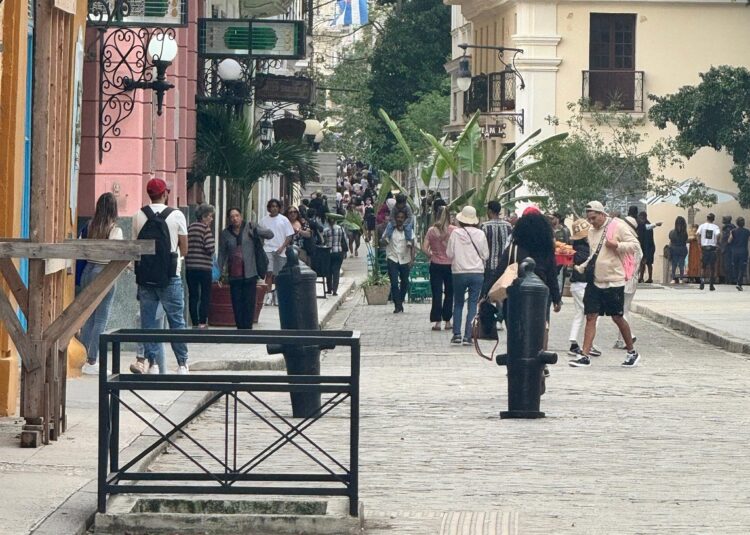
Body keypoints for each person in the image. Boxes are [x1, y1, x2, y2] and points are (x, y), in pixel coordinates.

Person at [568, 201, 641, 368]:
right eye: (589, 219)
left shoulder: (618, 226)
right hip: (595, 280)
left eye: (593, 218)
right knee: (591, 316)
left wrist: (617, 245)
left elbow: (635, 246)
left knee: (617, 317)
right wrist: (582, 266)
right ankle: (585, 355)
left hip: (614, 280)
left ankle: (632, 352)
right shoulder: (592, 232)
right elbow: (594, 254)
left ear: (602, 214)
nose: (592, 222)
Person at [130, 178, 190, 375]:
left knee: (148, 322)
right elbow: (185, 249)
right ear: (165, 194)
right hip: (170, 276)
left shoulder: (138, 215)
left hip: (146, 277)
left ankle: (153, 363)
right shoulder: (177, 215)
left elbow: (134, 246)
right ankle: (182, 364)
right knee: (176, 321)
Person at [497, 209, 562, 352]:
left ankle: (516, 356)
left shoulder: (514, 248)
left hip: (514, 292)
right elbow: (552, 276)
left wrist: (485, 295)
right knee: (542, 325)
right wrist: (557, 298)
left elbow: (499, 271)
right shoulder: (546, 250)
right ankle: (541, 358)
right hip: (541, 293)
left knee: (515, 326)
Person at [79, 193, 123, 375]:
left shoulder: (89, 225)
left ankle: (81, 354)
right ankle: (92, 358)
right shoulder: (115, 229)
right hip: (104, 271)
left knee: (88, 315)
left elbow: (81, 247)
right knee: (101, 318)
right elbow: (117, 252)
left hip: (88, 270)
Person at [218, 208, 273, 329]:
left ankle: (248, 328)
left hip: (250, 272)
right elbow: (222, 253)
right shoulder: (225, 233)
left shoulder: (250, 226)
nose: (235, 219)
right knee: (236, 302)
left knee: (249, 302)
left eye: (237, 215)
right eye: (232, 217)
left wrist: (256, 232)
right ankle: (240, 327)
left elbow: (270, 234)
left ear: (241, 216)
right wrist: (219, 272)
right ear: (229, 219)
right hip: (234, 273)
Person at [446, 206, 488, 345]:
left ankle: (456, 334)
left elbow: (449, 254)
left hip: (459, 272)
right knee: (472, 304)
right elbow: (485, 255)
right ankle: (468, 336)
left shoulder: (455, 233)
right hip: (477, 273)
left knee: (457, 303)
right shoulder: (481, 234)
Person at [422, 206, 455, 330]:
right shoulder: (453, 230)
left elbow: (424, 247)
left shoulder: (431, 231)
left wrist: (431, 254)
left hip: (435, 265)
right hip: (450, 265)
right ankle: (447, 321)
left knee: (436, 293)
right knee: (449, 293)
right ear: (448, 216)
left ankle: (437, 322)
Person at [614, 215, 643, 350]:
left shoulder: (632, 245)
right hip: (631, 279)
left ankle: (628, 336)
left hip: (626, 279)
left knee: (622, 311)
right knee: (624, 310)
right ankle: (622, 339)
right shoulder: (634, 244)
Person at [185, 204, 215, 329]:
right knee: (205, 295)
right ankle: (203, 322)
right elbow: (210, 247)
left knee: (193, 295)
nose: (212, 219)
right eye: (210, 216)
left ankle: (195, 323)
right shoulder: (205, 229)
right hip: (204, 268)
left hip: (190, 267)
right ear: (204, 217)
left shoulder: (189, 228)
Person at [260, 199, 295, 306]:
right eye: (272, 206)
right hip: (267, 249)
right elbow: (260, 236)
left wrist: (282, 247)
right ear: (269, 208)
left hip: (280, 250)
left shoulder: (284, 220)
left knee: (279, 275)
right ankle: (268, 294)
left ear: (279, 208)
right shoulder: (263, 221)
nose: (274, 208)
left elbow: (289, 235)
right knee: (269, 273)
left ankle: (278, 295)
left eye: (276, 206)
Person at [567, 218, 592, 357]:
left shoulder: (575, 248)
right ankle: (588, 343)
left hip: (576, 285)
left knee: (579, 314)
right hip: (582, 284)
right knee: (592, 313)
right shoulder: (584, 250)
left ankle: (573, 341)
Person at [384, 209, 415, 313]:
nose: (400, 219)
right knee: (394, 282)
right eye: (398, 217)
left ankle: (400, 301)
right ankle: (397, 306)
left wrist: (412, 259)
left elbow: (413, 245)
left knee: (405, 282)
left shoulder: (409, 230)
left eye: (402, 218)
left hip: (405, 259)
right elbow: (383, 240)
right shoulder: (390, 229)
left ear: (405, 219)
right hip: (392, 258)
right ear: (395, 218)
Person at [481, 200, 512, 296]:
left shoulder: (484, 226)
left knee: (486, 294)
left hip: (489, 265)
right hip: (504, 265)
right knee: (502, 294)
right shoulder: (508, 226)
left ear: (489, 211)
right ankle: (500, 311)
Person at [323, 213, 347, 296]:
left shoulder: (325, 230)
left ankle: (329, 289)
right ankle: (335, 291)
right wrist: (345, 252)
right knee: (336, 271)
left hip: (328, 253)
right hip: (339, 251)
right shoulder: (341, 229)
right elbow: (344, 240)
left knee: (328, 271)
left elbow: (324, 241)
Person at [696, 212, 721, 291]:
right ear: (713, 219)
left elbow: (697, 234)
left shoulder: (702, 226)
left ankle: (702, 282)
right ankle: (711, 285)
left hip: (704, 248)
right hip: (712, 249)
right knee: (712, 267)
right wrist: (717, 242)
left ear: (706, 218)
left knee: (703, 267)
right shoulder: (715, 227)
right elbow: (718, 235)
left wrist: (699, 242)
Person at [636, 211, 660, 283]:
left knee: (648, 262)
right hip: (645, 246)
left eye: (640, 217)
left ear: (644, 217)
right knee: (642, 262)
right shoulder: (643, 225)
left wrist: (645, 253)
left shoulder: (647, 226)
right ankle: (641, 277)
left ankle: (649, 278)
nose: (639, 219)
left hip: (648, 247)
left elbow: (647, 240)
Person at [729, 217, 750, 290]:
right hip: (743, 251)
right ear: (743, 223)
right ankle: (739, 283)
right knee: (742, 267)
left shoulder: (733, 231)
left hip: (735, 251)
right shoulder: (747, 231)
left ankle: (737, 280)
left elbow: (729, 240)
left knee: (735, 266)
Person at [668, 216, 689, 284]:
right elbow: (685, 240)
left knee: (674, 264)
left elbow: (670, 239)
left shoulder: (672, 232)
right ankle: (681, 278)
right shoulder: (685, 233)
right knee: (681, 264)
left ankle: (673, 278)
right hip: (682, 249)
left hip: (674, 249)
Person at [720, 215, 736, 284]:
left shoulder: (728, 228)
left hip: (728, 249)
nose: (722, 220)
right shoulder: (731, 227)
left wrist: (723, 248)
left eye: (723, 219)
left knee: (727, 264)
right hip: (730, 249)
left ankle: (730, 280)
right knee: (729, 264)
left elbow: (726, 240)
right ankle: (730, 279)